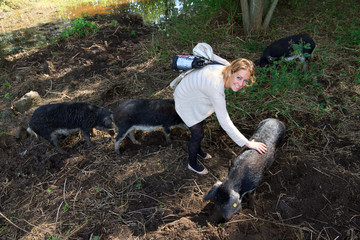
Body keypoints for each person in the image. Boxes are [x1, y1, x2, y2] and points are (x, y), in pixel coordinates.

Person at [173, 43, 267, 175]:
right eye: (239, 78)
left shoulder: (226, 66)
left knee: (200, 121)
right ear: (230, 72)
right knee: (198, 133)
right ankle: (192, 164)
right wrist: (247, 143)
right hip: (185, 99)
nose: (241, 84)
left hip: (196, 94)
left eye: (245, 80)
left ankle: (199, 151)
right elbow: (225, 122)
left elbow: (206, 52)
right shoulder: (216, 88)